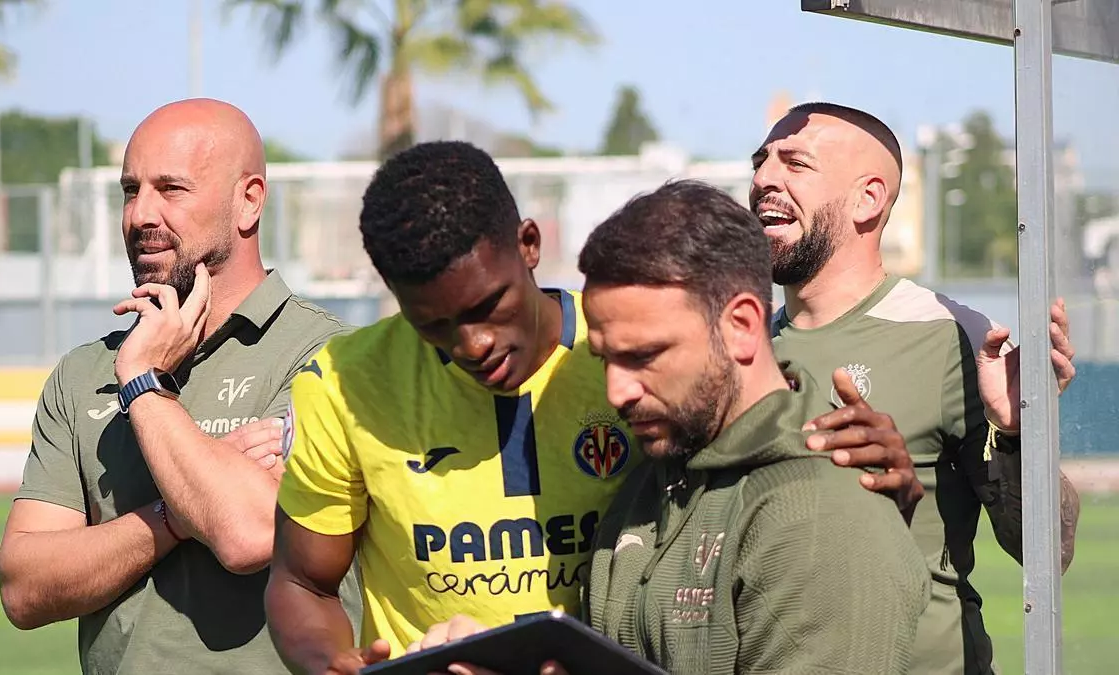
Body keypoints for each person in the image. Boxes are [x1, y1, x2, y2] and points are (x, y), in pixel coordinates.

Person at [266, 141, 923, 675]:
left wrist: (849, 469)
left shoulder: (669, 376)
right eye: (433, 325)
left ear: (529, 245)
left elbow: (759, 412)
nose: (473, 344)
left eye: (487, 305)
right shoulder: (345, 383)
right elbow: (302, 581)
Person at [0, 98, 357, 675]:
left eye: (171, 189)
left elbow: (248, 532)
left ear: (249, 201)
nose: (141, 214)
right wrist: (173, 517)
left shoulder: (329, 356)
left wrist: (144, 385)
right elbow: (24, 588)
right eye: (130, 190)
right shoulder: (85, 373)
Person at [750, 101, 1082, 675]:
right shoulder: (745, 345)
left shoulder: (954, 335)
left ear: (868, 199)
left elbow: (1049, 551)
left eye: (794, 163)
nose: (763, 180)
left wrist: (1015, 434)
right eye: (760, 162)